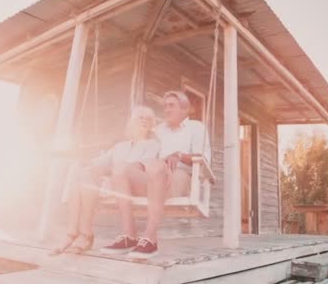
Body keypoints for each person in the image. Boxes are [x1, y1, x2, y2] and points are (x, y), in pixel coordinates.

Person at [102, 90, 210, 259]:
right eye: (165, 106)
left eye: (171, 105)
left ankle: (150, 238)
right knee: (121, 170)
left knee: (157, 166)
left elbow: (204, 158)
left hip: (179, 177)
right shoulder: (158, 130)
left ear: (184, 109)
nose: (166, 109)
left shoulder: (196, 128)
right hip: (153, 177)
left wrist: (179, 155)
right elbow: (142, 145)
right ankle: (129, 235)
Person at [49, 105, 159, 255]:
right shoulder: (120, 146)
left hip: (131, 186)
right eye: (141, 117)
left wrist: (108, 170)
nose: (145, 120)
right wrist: (89, 165)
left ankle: (84, 234)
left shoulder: (153, 145)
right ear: (132, 121)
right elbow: (100, 162)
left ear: (152, 123)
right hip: (111, 183)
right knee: (81, 171)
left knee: (87, 180)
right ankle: (74, 232)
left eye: (148, 118)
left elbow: (140, 167)